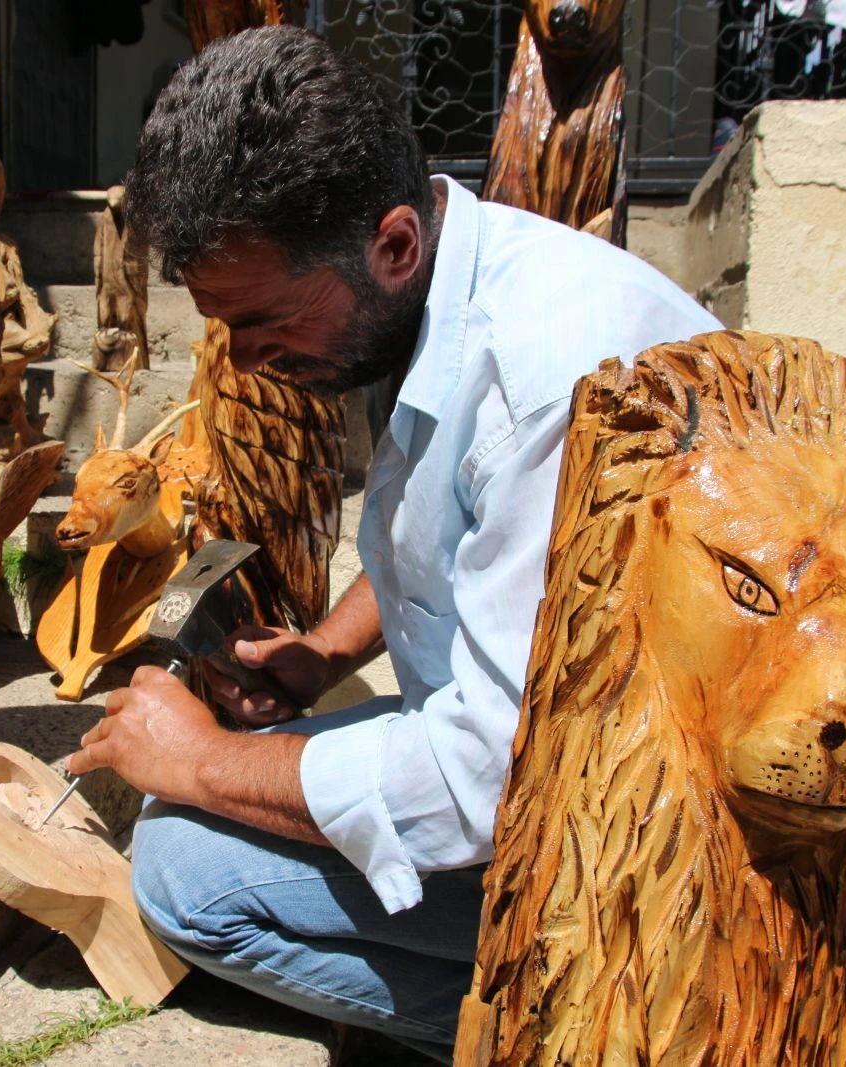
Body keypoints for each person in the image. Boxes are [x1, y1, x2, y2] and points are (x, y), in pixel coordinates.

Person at [64, 25, 721, 1061]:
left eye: (263, 318)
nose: (246, 359)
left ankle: (550, 1033)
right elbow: (457, 531)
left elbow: (485, 786)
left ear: (394, 243)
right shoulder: (440, 287)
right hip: (535, 772)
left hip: (628, 862)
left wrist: (201, 761)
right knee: (211, 791)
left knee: (182, 863)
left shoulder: (548, 385)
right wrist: (324, 652)